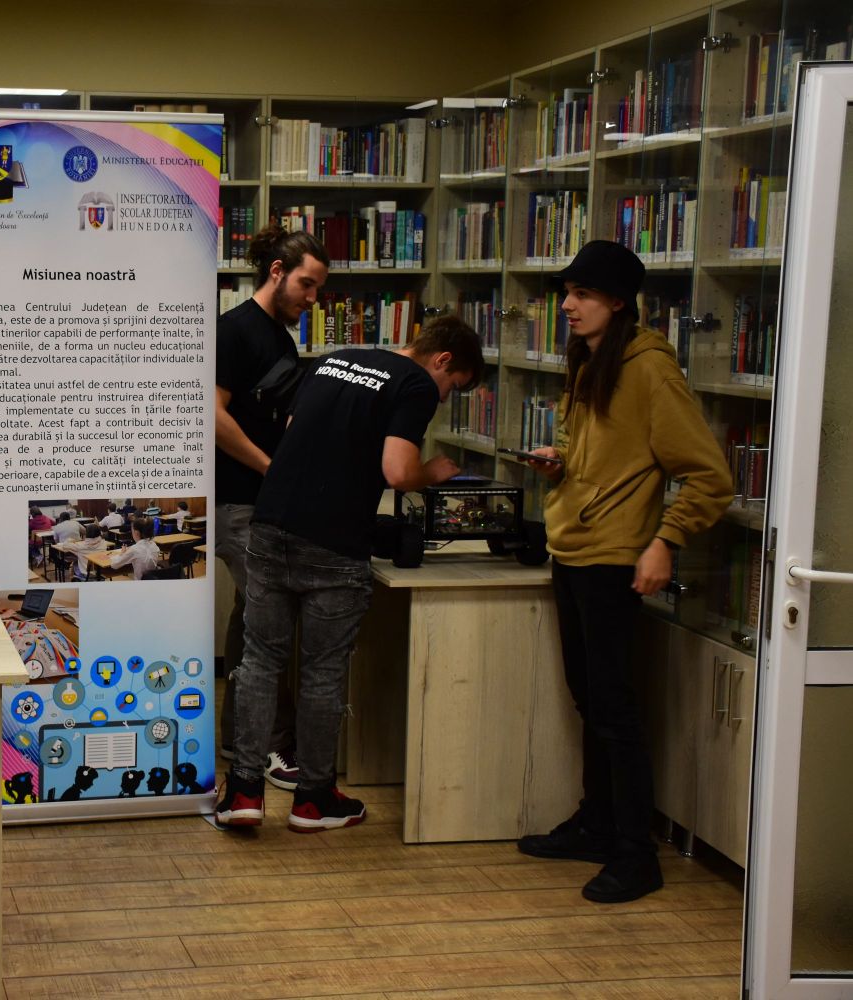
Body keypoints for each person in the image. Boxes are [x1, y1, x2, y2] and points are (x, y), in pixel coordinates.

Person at [516, 241, 731, 902]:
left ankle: (638, 854)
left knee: (614, 709)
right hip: (572, 549)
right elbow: (602, 455)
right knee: (590, 700)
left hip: (614, 560)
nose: (568, 305)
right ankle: (598, 825)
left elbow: (709, 476)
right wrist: (561, 463)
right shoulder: (590, 361)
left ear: (616, 301)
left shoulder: (649, 369)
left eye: (582, 294)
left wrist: (665, 539)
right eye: (566, 293)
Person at [216, 316, 484, 832]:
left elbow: (294, 435)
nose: (445, 395)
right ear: (443, 359)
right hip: (334, 541)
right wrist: (434, 472)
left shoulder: (334, 360)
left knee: (261, 660)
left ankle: (244, 792)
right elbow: (398, 471)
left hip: (270, 524)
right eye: (454, 385)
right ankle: (313, 800)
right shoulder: (415, 384)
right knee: (321, 671)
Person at [215, 224, 329, 789]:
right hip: (235, 503)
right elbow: (212, 416)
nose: (313, 299)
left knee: (250, 618)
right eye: (307, 285)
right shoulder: (234, 331)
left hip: (262, 501)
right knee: (269, 624)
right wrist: (270, 467)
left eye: (318, 289)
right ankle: (271, 747)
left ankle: (240, 738)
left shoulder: (281, 339)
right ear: (277, 272)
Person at [109, 515, 164, 580]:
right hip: (152, 580)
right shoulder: (154, 545)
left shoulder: (134, 549)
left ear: (136, 533)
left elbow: (114, 565)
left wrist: (122, 553)